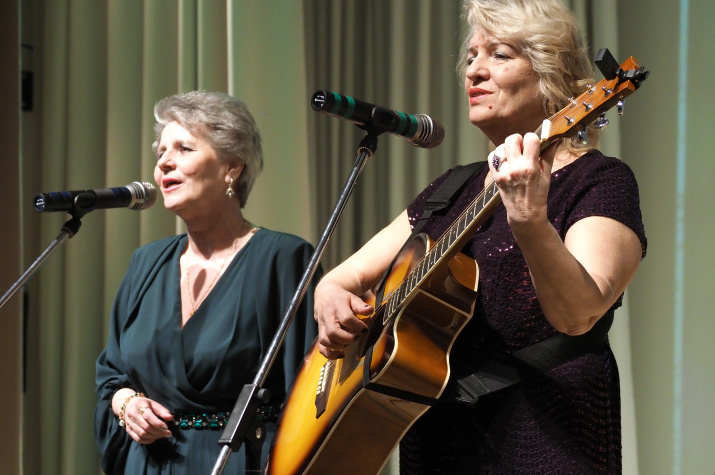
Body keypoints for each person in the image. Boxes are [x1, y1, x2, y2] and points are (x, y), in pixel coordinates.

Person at [313, 0, 646, 473]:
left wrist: (529, 220)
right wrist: (329, 297)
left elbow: (577, 315)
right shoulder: (453, 187)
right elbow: (341, 278)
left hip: (547, 439)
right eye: (471, 57)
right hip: (436, 441)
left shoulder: (599, 180)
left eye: (500, 55)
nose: (474, 70)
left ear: (550, 74)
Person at [94, 90, 319, 474]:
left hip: (238, 462)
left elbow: (310, 391)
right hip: (147, 465)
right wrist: (127, 404)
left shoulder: (283, 259)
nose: (164, 162)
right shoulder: (145, 263)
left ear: (232, 167)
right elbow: (111, 375)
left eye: (183, 148)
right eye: (161, 152)